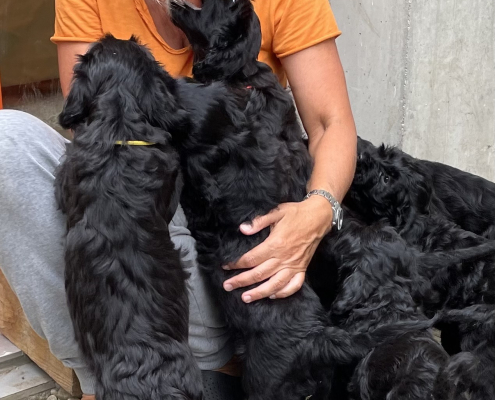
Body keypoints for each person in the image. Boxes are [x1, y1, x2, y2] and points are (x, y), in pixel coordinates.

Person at [0, 0, 357, 398]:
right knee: (9, 144)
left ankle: (215, 364)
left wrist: (319, 209)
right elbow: (91, 123)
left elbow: (331, 122)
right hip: (149, 205)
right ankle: (99, 373)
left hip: (237, 243)